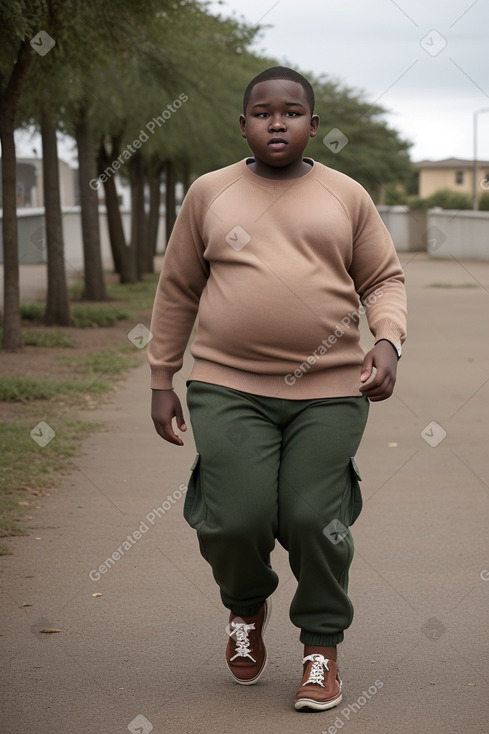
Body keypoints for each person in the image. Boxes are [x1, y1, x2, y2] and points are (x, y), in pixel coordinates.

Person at [148, 66, 407, 712]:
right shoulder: (209, 194)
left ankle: (320, 646)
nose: (276, 121)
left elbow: (382, 278)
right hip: (225, 386)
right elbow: (177, 288)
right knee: (234, 517)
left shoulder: (344, 195)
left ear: (312, 126)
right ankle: (245, 606)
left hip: (329, 388)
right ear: (243, 124)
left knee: (311, 517)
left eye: (291, 112)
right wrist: (161, 376)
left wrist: (386, 341)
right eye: (263, 112)